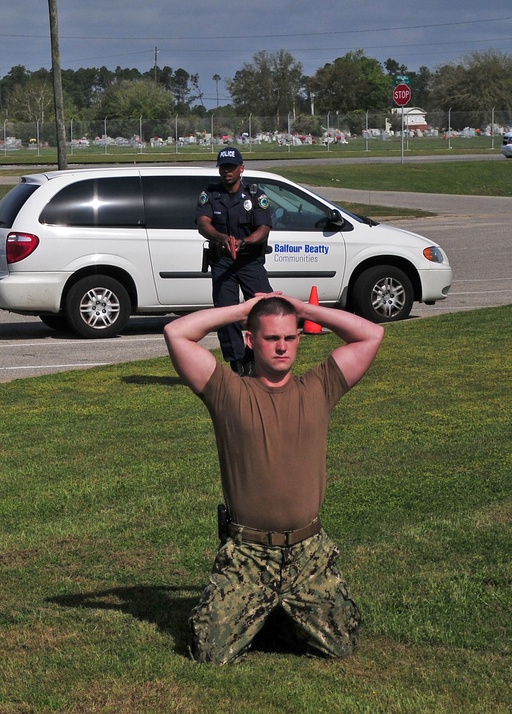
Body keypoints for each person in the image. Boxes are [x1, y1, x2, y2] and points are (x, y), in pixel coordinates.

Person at [163, 293, 384, 665]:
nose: (282, 346)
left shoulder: (320, 386)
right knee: (212, 652)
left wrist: (305, 310)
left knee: (341, 643)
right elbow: (176, 333)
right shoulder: (226, 391)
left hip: (307, 552)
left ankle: (275, 613)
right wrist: (243, 311)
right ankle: (263, 608)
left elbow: (371, 334)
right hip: (249, 553)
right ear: (251, 340)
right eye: (270, 338)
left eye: (290, 337)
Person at [195, 147, 273, 376]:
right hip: (223, 262)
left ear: (241, 169)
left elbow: (264, 229)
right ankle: (237, 364)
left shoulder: (255, 195)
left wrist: (244, 242)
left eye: (231, 167)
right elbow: (203, 223)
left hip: (250, 261)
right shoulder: (210, 195)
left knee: (265, 309)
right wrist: (222, 238)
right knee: (226, 313)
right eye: (223, 167)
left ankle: (255, 356)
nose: (226, 171)